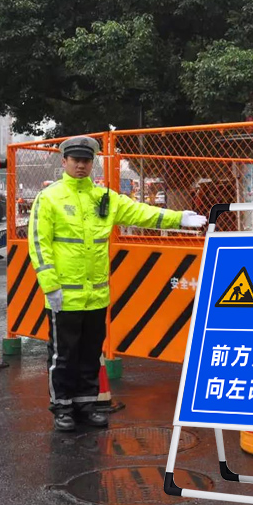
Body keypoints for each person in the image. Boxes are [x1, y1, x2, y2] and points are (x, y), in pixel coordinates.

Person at [28, 136, 207, 431]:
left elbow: (140, 212)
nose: (81, 165)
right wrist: (51, 286)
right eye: (76, 160)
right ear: (64, 162)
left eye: (86, 161)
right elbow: (39, 244)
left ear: (92, 162)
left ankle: (86, 405)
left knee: (90, 353)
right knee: (63, 356)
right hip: (64, 296)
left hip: (96, 295)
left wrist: (178, 219)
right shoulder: (49, 198)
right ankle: (62, 407)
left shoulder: (104, 198)